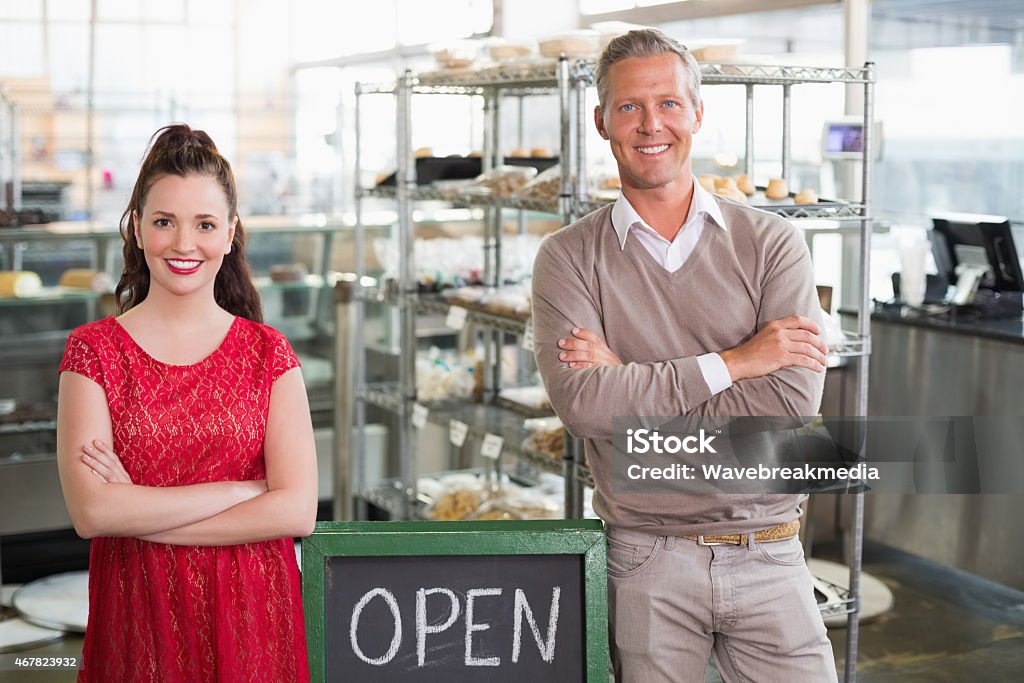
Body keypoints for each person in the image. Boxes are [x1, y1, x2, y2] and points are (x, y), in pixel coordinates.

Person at [531, 29, 836, 683]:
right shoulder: (568, 257)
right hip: (645, 558)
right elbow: (585, 406)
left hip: (769, 548)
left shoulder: (771, 243)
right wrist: (738, 360)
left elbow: (786, 407)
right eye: (630, 107)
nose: (650, 125)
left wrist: (631, 388)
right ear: (601, 120)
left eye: (668, 103)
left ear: (697, 113)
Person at [56, 124, 317, 682]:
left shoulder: (268, 353)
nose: (182, 244)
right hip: (138, 615)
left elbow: (297, 510)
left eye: (204, 224)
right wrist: (242, 492)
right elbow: (93, 513)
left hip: (255, 618)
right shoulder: (93, 353)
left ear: (229, 234)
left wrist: (139, 510)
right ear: (138, 228)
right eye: (164, 222)